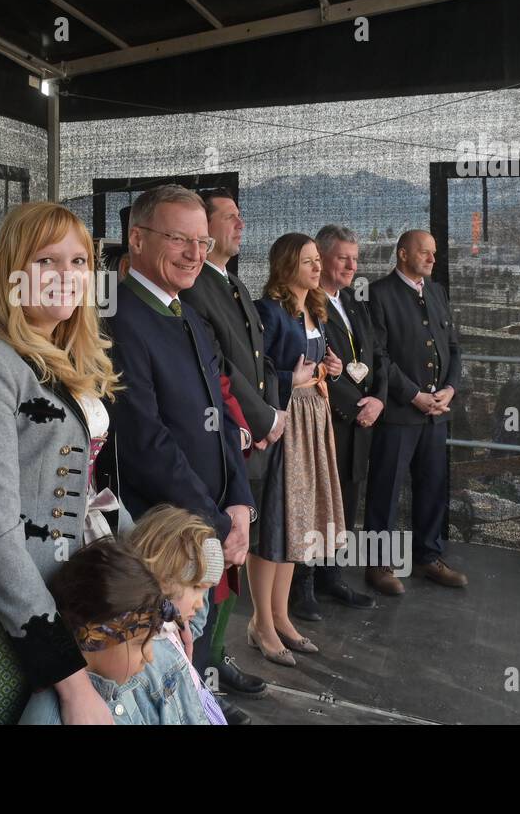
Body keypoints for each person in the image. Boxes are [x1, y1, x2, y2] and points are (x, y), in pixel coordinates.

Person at [0, 201, 129, 725]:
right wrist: (68, 679)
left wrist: (151, 581)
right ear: (13, 272)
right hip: (27, 620)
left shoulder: (63, 358)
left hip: (87, 597)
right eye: (47, 261)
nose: (67, 276)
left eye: (78, 262)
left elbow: (91, 495)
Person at [104, 184, 256, 724]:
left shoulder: (189, 316)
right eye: (179, 239)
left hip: (210, 519)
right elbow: (144, 442)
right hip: (160, 528)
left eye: (202, 240)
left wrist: (240, 502)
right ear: (137, 239)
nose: (196, 252)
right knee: (155, 650)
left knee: (193, 636)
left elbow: (223, 423)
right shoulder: (117, 319)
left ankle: (202, 697)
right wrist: (216, 520)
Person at [178, 188, 275, 699]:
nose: (240, 225)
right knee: (211, 564)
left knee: (236, 556)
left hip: (249, 439)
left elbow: (260, 364)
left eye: (241, 218)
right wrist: (259, 420)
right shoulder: (194, 289)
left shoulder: (233, 283)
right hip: (228, 437)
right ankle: (203, 671)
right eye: (230, 218)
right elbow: (224, 371)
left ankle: (216, 656)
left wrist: (271, 413)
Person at [253, 233, 346, 663]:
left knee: (297, 522)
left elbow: (317, 366)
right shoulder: (268, 311)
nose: (316, 268)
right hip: (284, 419)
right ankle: (262, 624)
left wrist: (333, 368)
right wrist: (292, 380)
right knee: (273, 522)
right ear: (287, 265)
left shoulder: (316, 309)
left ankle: (281, 617)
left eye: (316, 261)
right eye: (308, 261)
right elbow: (257, 371)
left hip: (313, 417)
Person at [365, 230, 467, 594]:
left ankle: (428, 557)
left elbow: (454, 347)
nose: (432, 259)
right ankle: (378, 565)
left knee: (432, 488)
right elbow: (379, 356)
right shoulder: (378, 294)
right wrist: (413, 395)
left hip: (437, 412)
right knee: (385, 489)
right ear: (403, 254)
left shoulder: (437, 292)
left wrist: (450, 390)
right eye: (425, 252)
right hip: (398, 413)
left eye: (434, 253)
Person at [17, 539, 168, 725]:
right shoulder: (52, 719)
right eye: (139, 643)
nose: (150, 656)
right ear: (94, 637)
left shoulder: (120, 682)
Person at [311, 224, 380, 612]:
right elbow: (317, 368)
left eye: (355, 258)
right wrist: (355, 407)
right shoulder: (308, 304)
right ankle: (308, 582)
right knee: (321, 502)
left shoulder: (354, 301)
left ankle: (333, 577)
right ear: (321, 259)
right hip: (330, 423)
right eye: (343, 258)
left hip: (363, 422)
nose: (353, 265)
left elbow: (378, 357)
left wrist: (378, 402)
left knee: (347, 503)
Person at [127, 505, 229, 726]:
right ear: (164, 577)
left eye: (207, 591)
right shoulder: (145, 655)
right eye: (197, 588)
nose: (201, 604)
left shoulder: (173, 628)